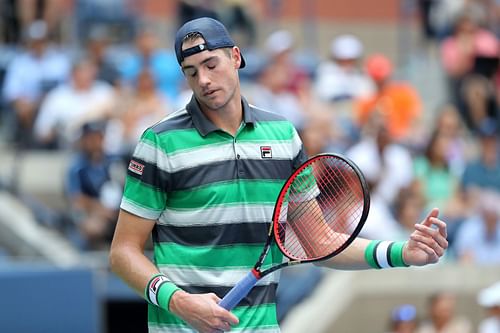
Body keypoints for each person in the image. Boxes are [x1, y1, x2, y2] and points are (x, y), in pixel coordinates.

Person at [109, 17, 449, 333]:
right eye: (192, 72)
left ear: (236, 57)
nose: (205, 80)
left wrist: (402, 253)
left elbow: (319, 243)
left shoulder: (283, 137)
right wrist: (179, 302)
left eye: (211, 64)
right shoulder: (159, 143)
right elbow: (123, 252)